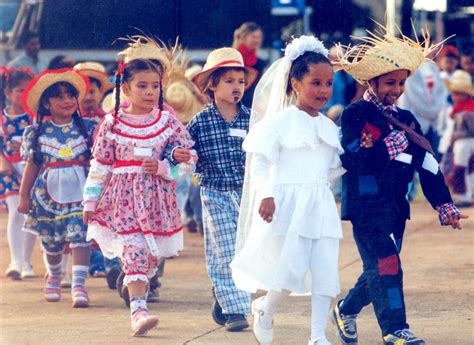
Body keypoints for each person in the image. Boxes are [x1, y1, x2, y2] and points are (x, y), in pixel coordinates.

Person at [332, 26, 469, 345]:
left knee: (378, 270)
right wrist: (390, 147)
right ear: (372, 81)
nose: (396, 89)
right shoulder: (354, 114)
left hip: (396, 207)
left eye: (401, 82)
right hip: (366, 207)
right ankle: (395, 329)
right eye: (390, 82)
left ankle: (345, 309)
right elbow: (353, 159)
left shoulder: (408, 120)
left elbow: (428, 163)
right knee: (387, 264)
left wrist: (444, 205)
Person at [231, 35, 344, 345]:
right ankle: (265, 308)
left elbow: (331, 169)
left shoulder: (329, 127)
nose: (323, 90)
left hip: (319, 204)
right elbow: (259, 164)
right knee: (291, 268)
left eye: (328, 83)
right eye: (315, 83)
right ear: (295, 82)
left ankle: (318, 335)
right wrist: (266, 193)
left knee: (325, 270)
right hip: (288, 204)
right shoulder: (278, 123)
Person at [82, 35, 197, 337]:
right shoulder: (113, 123)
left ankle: (134, 284)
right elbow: (101, 164)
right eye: (142, 86)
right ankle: (138, 312)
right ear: (126, 88)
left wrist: (164, 166)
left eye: (155, 86)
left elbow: (188, 158)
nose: (149, 91)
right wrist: (90, 201)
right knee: (133, 251)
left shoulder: (167, 122)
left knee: (151, 257)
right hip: (123, 202)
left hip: (158, 201)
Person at [188, 47, 257, 331]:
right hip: (215, 193)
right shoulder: (199, 123)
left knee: (245, 251)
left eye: (240, 81)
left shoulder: (253, 120)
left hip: (246, 194)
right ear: (211, 85)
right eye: (229, 81)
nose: (236, 87)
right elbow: (183, 155)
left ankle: (224, 295)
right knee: (225, 249)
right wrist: (178, 157)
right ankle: (235, 312)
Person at [18, 68, 96, 307]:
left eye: (70, 95)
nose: (67, 101)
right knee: (52, 241)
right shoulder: (37, 132)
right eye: (59, 96)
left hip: (81, 192)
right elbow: (32, 166)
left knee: (80, 238)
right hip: (47, 195)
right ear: (46, 104)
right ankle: (54, 274)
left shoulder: (90, 128)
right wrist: (24, 196)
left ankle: (79, 284)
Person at [0, 66, 37, 279]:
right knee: (16, 211)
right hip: (9, 171)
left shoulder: (34, 118)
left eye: (28, 90)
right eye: (19, 90)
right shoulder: (2, 119)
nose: (24, 95)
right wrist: (3, 161)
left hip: (30, 170)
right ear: (7, 93)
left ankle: (27, 261)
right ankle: (16, 260)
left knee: (29, 213)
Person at [444, 70, 474, 206]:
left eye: (457, 94)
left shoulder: (467, 111)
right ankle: (464, 195)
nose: (454, 96)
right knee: (466, 169)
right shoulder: (459, 109)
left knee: (461, 169)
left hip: (466, 142)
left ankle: (463, 196)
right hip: (460, 142)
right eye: (453, 93)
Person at [233, 22, 266, 107]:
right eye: (253, 37)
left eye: (259, 37)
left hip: (251, 105)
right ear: (243, 38)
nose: (257, 40)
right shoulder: (233, 59)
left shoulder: (259, 63)